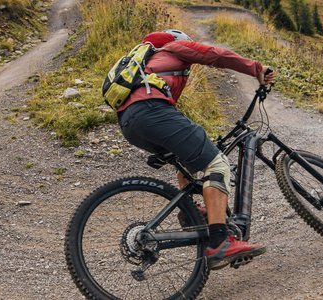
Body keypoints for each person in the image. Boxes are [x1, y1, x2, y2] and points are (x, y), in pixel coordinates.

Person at [116, 29, 275, 270]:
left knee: (186, 155)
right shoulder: (172, 47)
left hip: (129, 122)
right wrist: (256, 69)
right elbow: (215, 55)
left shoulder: (146, 66)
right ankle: (220, 243)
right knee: (217, 164)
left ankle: (189, 210)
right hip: (150, 111)